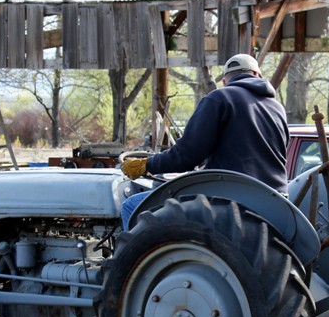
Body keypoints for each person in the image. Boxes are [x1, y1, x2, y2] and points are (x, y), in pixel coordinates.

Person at [120, 53, 289, 227]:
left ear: (225, 81)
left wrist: (147, 165)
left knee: (131, 206)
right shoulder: (277, 108)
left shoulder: (219, 98)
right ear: (257, 75)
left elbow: (186, 155)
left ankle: (136, 255)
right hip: (274, 198)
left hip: (229, 195)